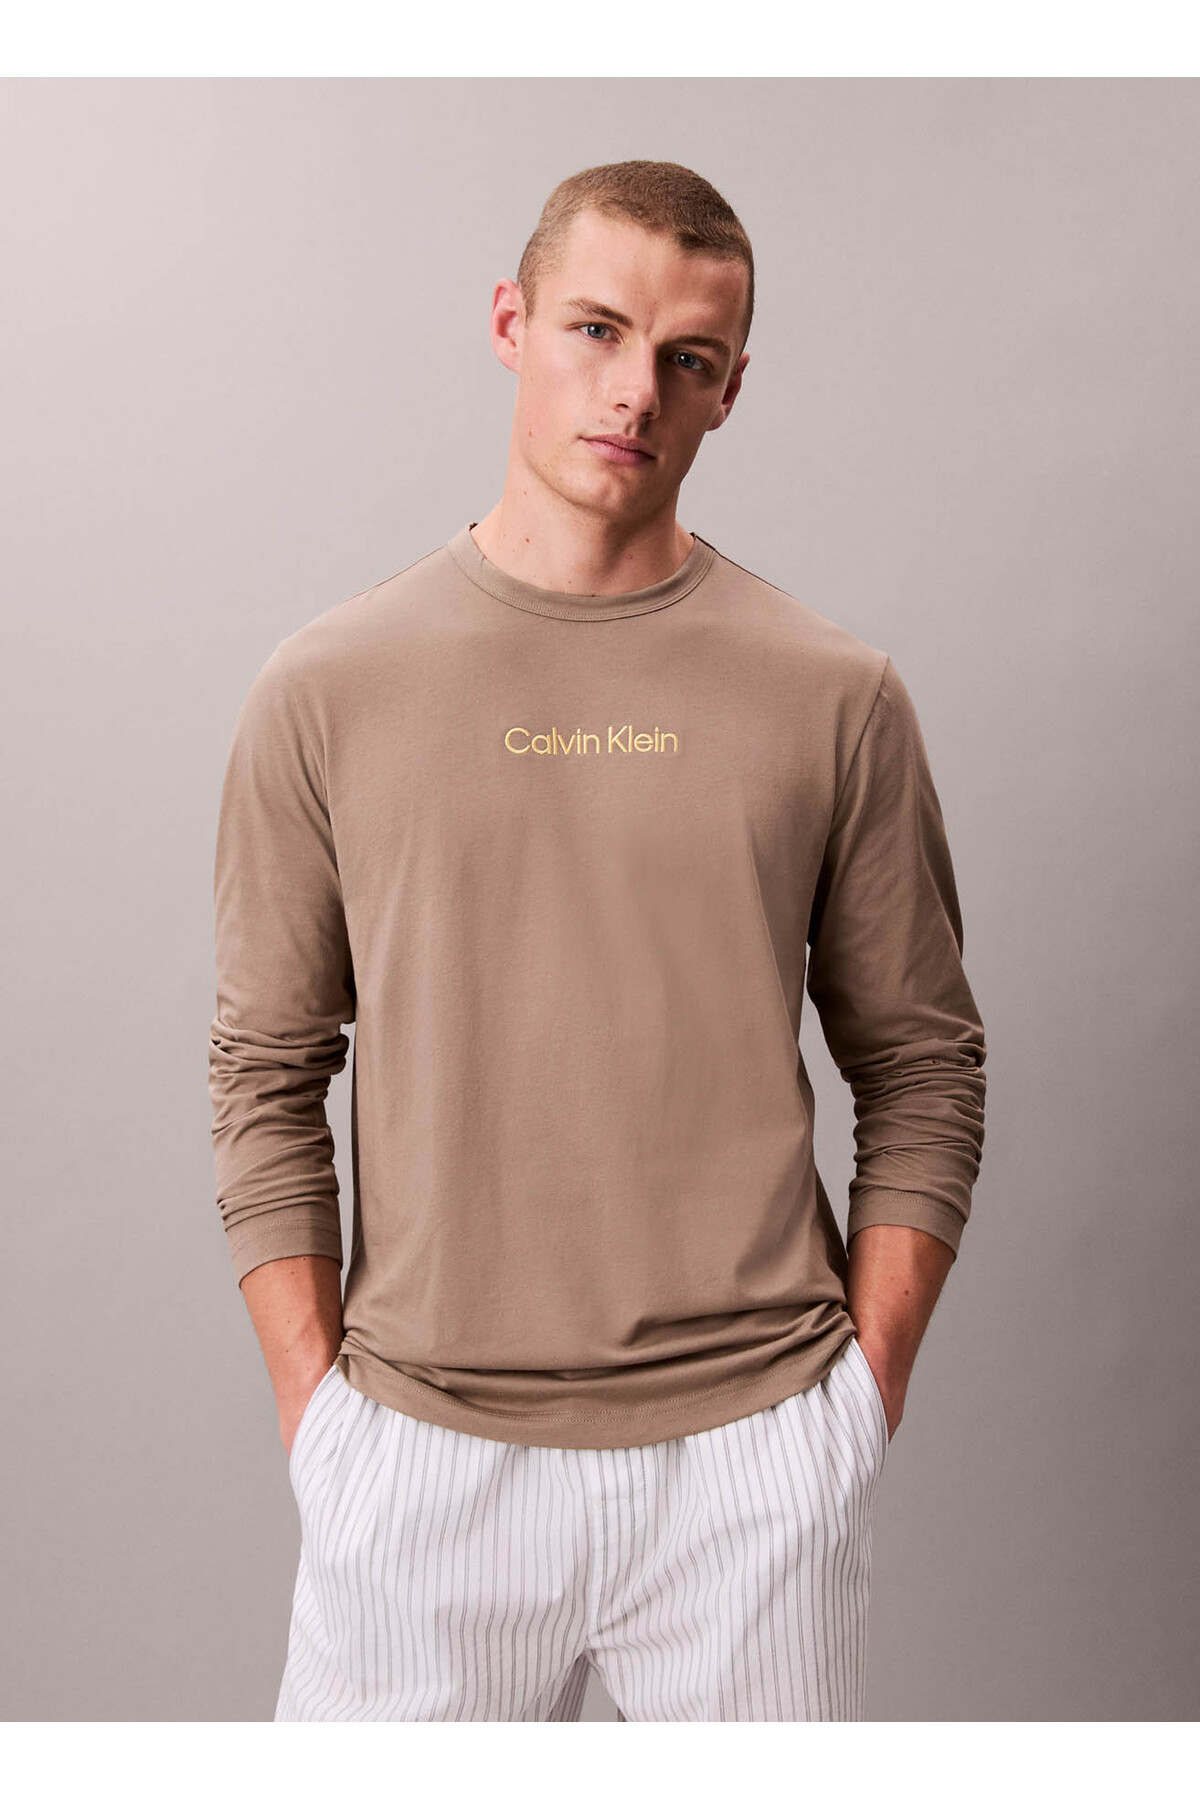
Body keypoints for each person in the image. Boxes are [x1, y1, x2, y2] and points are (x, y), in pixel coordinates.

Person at [207, 159, 987, 1723]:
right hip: (420, 1453)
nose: (635, 391)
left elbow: (924, 1066)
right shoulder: (329, 686)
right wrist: (321, 1417)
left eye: (688, 358)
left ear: (730, 390)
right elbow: (264, 1067)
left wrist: (860, 1399)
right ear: (511, 323)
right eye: (596, 330)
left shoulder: (833, 694)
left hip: (754, 1459)